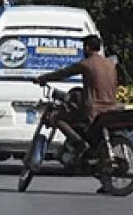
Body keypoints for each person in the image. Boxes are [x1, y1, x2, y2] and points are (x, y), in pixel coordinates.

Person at [34, 34, 118, 162]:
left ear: (88, 48)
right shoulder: (110, 64)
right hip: (111, 108)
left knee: (57, 118)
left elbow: (63, 73)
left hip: (93, 110)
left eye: (84, 47)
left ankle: (79, 143)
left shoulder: (86, 64)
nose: (83, 50)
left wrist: (42, 78)